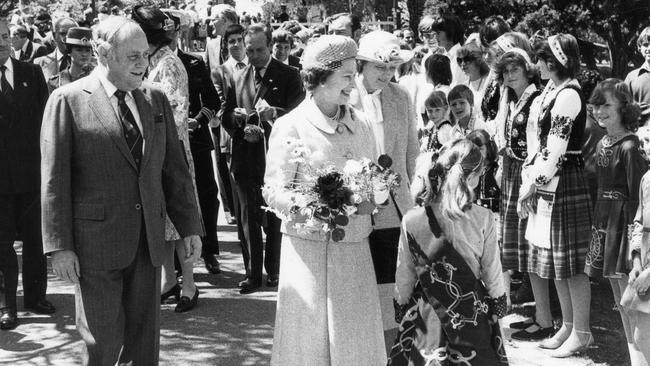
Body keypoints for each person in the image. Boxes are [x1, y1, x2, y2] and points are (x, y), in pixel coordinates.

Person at [41, 16, 203, 364]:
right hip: (94, 247)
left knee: (144, 346)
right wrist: (59, 247)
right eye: (132, 56)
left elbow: (174, 170)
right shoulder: (67, 100)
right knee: (101, 342)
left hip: (148, 243)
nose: (143, 64)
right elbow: (55, 180)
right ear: (102, 53)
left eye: (145, 55)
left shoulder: (155, 98)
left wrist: (189, 226)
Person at [263, 34, 386, 366]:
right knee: (308, 347)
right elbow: (273, 191)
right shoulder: (290, 126)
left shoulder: (361, 125)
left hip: (354, 251)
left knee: (355, 345)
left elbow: (374, 182)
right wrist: (313, 208)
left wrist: (373, 195)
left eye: (353, 74)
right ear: (319, 78)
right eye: (346, 76)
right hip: (308, 255)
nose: (353, 84)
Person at [390, 139, 508, 365]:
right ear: (473, 178)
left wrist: (402, 308)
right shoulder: (483, 217)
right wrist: (498, 306)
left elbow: (404, 274)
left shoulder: (412, 219)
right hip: (472, 312)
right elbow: (492, 270)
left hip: (427, 313)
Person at [516, 34, 593, 357]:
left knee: (571, 264)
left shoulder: (569, 95)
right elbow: (537, 140)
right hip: (548, 180)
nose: (536, 65)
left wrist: (534, 181)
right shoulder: (551, 91)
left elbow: (556, 145)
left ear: (554, 61)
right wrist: (531, 178)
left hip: (564, 180)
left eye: (541, 58)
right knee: (555, 261)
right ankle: (567, 325)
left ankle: (583, 331)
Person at [222, 24, 304, 294]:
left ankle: (276, 270)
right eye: (250, 50)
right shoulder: (238, 75)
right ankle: (252, 273)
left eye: (259, 49)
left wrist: (275, 114)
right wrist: (237, 122)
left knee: (277, 216)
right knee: (247, 217)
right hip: (246, 156)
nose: (255, 55)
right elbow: (226, 117)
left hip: (277, 159)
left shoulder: (290, 75)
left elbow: (301, 115)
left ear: (270, 46)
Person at [132, 5, 202, 313]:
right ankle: (169, 280)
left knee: (179, 216)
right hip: (154, 151)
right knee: (161, 221)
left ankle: (189, 283)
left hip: (170, 153)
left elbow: (172, 112)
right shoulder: (151, 62)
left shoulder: (170, 64)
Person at [350, 30, 419, 328]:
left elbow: (411, 153)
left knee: (392, 280)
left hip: (395, 203)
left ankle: (391, 345)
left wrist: (409, 194)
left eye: (391, 67)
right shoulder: (344, 97)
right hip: (356, 204)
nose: (387, 73)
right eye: (380, 67)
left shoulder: (401, 95)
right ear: (361, 65)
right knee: (359, 281)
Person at [585, 79, 647, 365]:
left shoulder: (631, 146)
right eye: (596, 105)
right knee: (617, 297)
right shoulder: (602, 143)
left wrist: (633, 242)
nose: (600, 111)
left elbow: (638, 197)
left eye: (606, 104)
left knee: (630, 296)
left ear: (624, 106)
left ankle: (640, 354)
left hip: (623, 223)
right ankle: (631, 351)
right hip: (604, 219)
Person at [0, 18, 52, 331]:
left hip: (32, 175)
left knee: (35, 241)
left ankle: (35, 296)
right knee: (1, 243)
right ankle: (6, 304)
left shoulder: (32, 74)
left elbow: (48, 126)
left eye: (5, 36)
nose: (2, 42)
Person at [167, 11, 223, 276]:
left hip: (196, 141)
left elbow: (213, 101)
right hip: (168, 144)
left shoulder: (193, 63)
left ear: (178, 33)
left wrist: (198, 121)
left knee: (207, 196)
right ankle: (178, 262)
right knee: (174, 199)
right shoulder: (149, 67)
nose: (168, 39)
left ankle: (210, 250)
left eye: (172, 33)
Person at [491, 48, 541, 309]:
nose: (510, 76)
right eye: (506, 72)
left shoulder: (536, 97)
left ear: (527, 70)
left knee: (530, 237)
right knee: (509, 238)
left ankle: (541, 305)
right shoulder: (507, 99)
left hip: (527, 171)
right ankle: (508, 299)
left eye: (515, 70)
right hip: (510, 168)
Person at [212, 24, 247, 226]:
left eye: (239, 40)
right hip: (231, 134)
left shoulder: (254, 67)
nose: (235, 45)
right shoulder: (221, 72)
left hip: (258, 134)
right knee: (236, 184)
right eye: (231, 41)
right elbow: (219, 103)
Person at [47, 27, 94, 93]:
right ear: (69, 52)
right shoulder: (55, 82)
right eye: (79, 50)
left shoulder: (98, 78)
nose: (84, 54)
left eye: (88, 50)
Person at [625, 26, 650, 125]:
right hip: (639, 132)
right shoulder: (632, 77)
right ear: (639, 47)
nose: (649, 48)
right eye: (645, 44)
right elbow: (623, 108)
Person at [204, 4, 237, 77]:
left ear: (224, 20)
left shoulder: (247, 45)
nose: (210, 24)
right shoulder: (210, 45)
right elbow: (206, 75)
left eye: (213, 20)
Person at [457, 41, 491, 112]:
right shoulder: (463, 86)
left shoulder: (489, 83)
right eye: (460, 60)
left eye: (467, 60)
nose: (463, 64)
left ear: (478, 60)